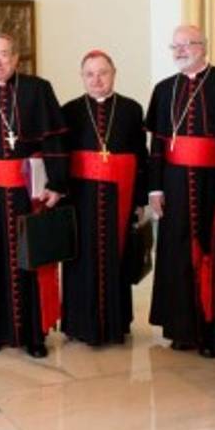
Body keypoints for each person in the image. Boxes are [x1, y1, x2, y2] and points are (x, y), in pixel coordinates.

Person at [0, 33, 68, 358]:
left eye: (4, 55)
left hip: (28, 190)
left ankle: (34, 335)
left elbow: (55, 141)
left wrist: (57, 185)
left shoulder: (38, 90)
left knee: (30, 258)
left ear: (17, 58)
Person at [146, 25, 215, 355]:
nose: (181, 50)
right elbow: (157, 144)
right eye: (176, 46)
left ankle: (214, 330)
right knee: (177, 253)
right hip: (175, 185)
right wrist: (154, 188)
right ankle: (182, 329)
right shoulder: (165, 89)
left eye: (188, 44)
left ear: (203, 47)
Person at [60, 50, 147, 346]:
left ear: (114, 73)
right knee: (80, 258)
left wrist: (139, 200)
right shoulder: (69, 111)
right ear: (82, 77)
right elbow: (61, 157)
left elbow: (141, 156)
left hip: (119, 198)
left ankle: (116, 323)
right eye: (90, 74)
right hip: (81, 198)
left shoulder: (131, 109)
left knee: (116, 257)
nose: (97, 79)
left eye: (103, 73)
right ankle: (78, 324)